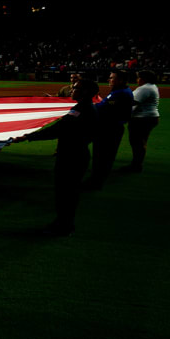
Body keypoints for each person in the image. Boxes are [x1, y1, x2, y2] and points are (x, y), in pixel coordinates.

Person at [19, 79, 99, 236]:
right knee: (67, 192)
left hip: (72, 157)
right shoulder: (85, 108)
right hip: (75, 154)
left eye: (75, 88)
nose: (71, 90)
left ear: (85, 92)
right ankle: (63, 223)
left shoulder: (82, 110)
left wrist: (28, 136)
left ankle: (64, 226)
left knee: (66, 193)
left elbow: (58, 129)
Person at [88, 70, 134, 188]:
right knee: (105, 157)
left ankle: (95, 182)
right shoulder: (122, 91)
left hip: (109, 129)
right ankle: (97, 180)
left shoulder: (119, 93)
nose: (109, 80)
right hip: (112, 128)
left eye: (112, 78)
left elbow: (102, 107)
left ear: (121, 80)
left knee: (102, 157)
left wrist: (88, 106)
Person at [127, 69, 160, 172]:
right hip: (149, 117)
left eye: (138, 77)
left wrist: (112, 102)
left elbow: (131, 102)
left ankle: (136, 165)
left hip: (142, 118)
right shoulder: (151, 86)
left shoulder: (145, 88)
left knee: (137, 142)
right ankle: (137, 163)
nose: (137, 79)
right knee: (141, 142)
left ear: (143, 78)